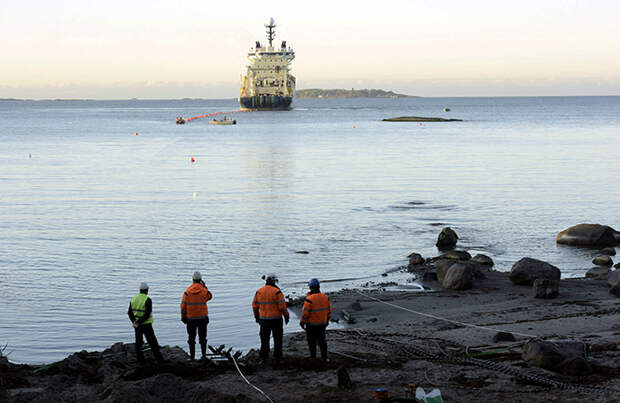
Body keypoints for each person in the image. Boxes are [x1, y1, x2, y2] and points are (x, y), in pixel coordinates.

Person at [252, 273, 289, 363]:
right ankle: (277, 358)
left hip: (264, 320)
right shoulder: (277, 292)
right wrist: (286, 316)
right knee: (278, 339)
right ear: (274, 281)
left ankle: (264, 358)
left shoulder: (259, 291)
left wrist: (257, 317)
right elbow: (282, 307)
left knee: (264, 339)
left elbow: (254, 306)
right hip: (276, 320)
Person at [128, 282, 165, 364]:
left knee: (138, 343)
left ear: (140, 290)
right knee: (153, 343)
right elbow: (147, 314)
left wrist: (135, 321)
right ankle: (160, 361)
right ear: (147, 290)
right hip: (146, 325)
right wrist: (139, 322)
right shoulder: (147, 300)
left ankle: (141, 361)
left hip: (137, 325)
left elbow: (129, 312)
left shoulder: (133, 299)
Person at [180, 271, 213, 360]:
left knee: (191, 338)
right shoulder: (204, 290)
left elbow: (183, 306)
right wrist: (204, 286)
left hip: (190, 319)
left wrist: (183, 317)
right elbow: (210, 296)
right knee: (203, 338)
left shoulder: (187, 291)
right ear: (200, 280)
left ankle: (192, 357)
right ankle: (203, 356)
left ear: (193, 280)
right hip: (202, 318)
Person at [299, 278, 332, 360]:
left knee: (311, 341)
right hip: (322, 323)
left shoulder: (309, 299)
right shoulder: (325, 297)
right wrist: (327, 321)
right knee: (322, 341)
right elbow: (329, 311)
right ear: (319, 286)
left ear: (310, 287)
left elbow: (305, 314)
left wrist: (302, 323)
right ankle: (324, 357)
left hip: (311, 325)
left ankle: (313, 357)